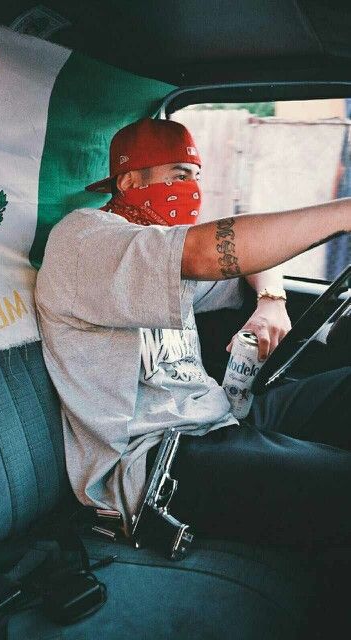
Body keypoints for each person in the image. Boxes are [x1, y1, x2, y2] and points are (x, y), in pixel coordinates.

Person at [35, 118, 351, 551]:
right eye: (178, 176)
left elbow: (248, 252)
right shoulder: (85, 238)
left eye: (197, 177)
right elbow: (210, 250)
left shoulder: (162, 243)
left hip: (222, 417)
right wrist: (342, 212)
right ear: (128, 180)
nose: (192, 190)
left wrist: (271, 301)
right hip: (159, 459)